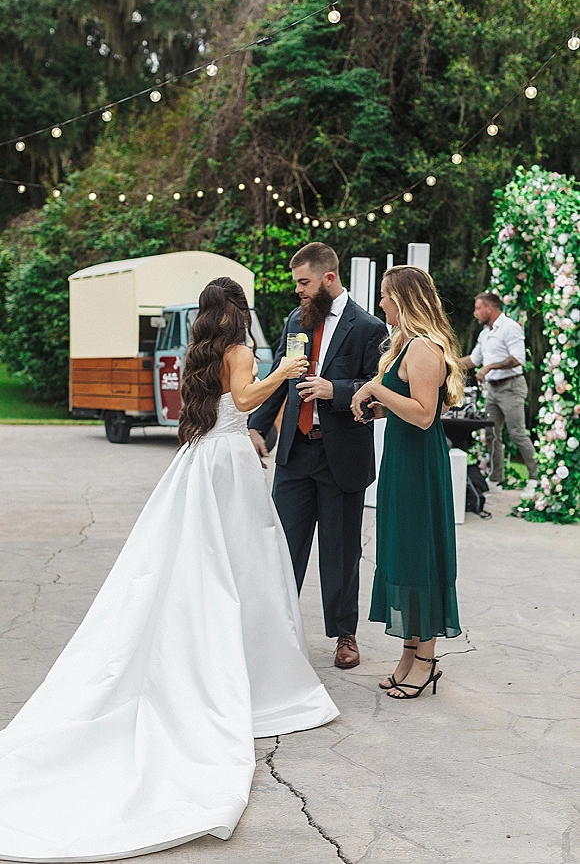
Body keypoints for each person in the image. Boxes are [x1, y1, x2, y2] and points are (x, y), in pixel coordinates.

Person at [0, 277, 338, 863]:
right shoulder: (237, 350)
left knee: (205, 565)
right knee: (246, 571)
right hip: (228, 463)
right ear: (236, 308)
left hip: (201, 455)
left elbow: (213, 409)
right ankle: (253, 677)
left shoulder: (197, 349)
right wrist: (283, 372)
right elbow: (247, 401)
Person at [248, 242, 385, 670]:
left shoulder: (369, 327)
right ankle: (278, 631)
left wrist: (336, 391)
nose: (298, 292)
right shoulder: (296, 320)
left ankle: (345, 635)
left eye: (304, 283)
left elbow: (378, 387)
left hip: (341, 456)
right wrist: (257, 425)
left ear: (329, 279)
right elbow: (284, 380)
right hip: (294, 454)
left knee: (340, 552)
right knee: (283, 550)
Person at [351, 265, 463, 699]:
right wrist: (375, 404)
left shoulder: (423, 348)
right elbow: (404, 407)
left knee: (420, 553)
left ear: (404, 299)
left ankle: (427, 659)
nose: (380, 304)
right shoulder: (404, 346)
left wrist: (376, 391)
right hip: (402, 460)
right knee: (401, 549)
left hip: (419, 465)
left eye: (385, 296)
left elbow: (423, 414)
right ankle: (409, 651)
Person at [461, 291, 538, 498]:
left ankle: (535, 478)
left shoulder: (510, 328)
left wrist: (489, 368)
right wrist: (446, 363)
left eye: (478, 308)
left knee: (517, 433)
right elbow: (473, 360)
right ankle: (496, 479)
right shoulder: (485, 333)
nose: (475, 313)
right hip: (493, 390)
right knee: (491, 435)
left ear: (489, 308)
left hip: (511, 387)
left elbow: (517, 359)